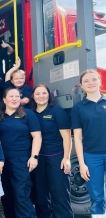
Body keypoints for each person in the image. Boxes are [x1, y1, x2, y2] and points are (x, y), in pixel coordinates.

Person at [29, 84, 73, 218]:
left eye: (44, 93)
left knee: (59, 194)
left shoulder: (57, 111)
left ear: (49, 95)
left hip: (57, 157)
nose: (41, 96)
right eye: (37, 93)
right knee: (41, 196)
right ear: (33, 96)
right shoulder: (30, 113)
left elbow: (67, 137)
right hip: (38, 159)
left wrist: (66, 158)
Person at [0, 88, 42, 218]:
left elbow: (37, 137)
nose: (15, 99)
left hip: (22, 160)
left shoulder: (28, 114)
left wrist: (34, 156)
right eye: (11, 96)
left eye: (17, 96)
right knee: (7, 195)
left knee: (21, 194)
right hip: (3, 161)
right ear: (4, 100)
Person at [71, 70, 106, 216]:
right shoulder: (78, 108)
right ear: (82, 86)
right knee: (97, 197)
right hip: (92, 157)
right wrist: (82, 163)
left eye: (93, 79)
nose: (90, 83)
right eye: (86, 81)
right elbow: (77, 138)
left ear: (100, 81)